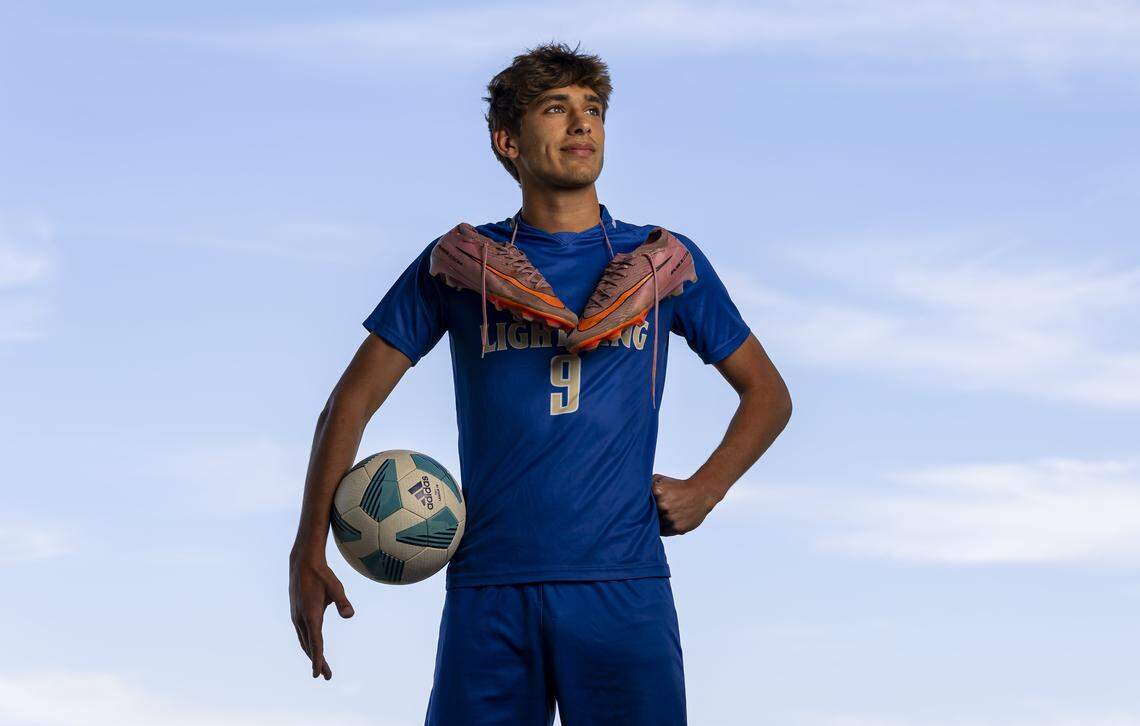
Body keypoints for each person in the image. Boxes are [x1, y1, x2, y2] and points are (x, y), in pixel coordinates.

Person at [288, 41, 793, 725]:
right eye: (556, 109)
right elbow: (347, 405)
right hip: (491, 589)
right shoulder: (462, 264)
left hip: (622, 588)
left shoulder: (662, 262)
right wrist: (306, 548)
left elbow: (768, 392)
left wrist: (707, 486)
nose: (582, 124)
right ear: (508, 141)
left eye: (593, 110)